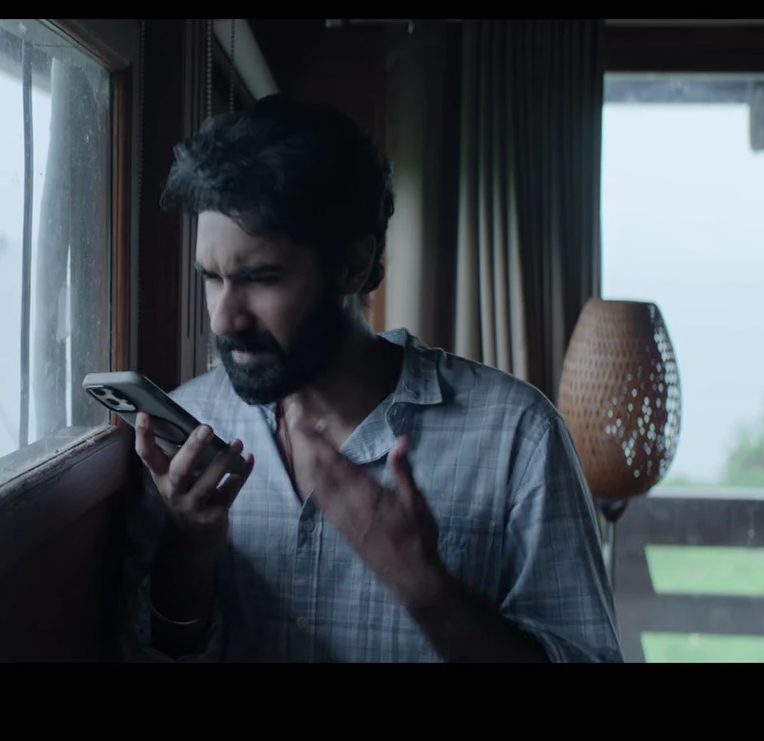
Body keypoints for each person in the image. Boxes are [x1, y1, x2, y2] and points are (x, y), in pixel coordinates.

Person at [119, 94, 623, 663]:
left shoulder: (518, 436)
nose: (223, 319)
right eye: (212, 278)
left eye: (260, 278)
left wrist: (427, 590)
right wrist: (189, 545)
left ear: (353, 266)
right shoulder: (188, 434)